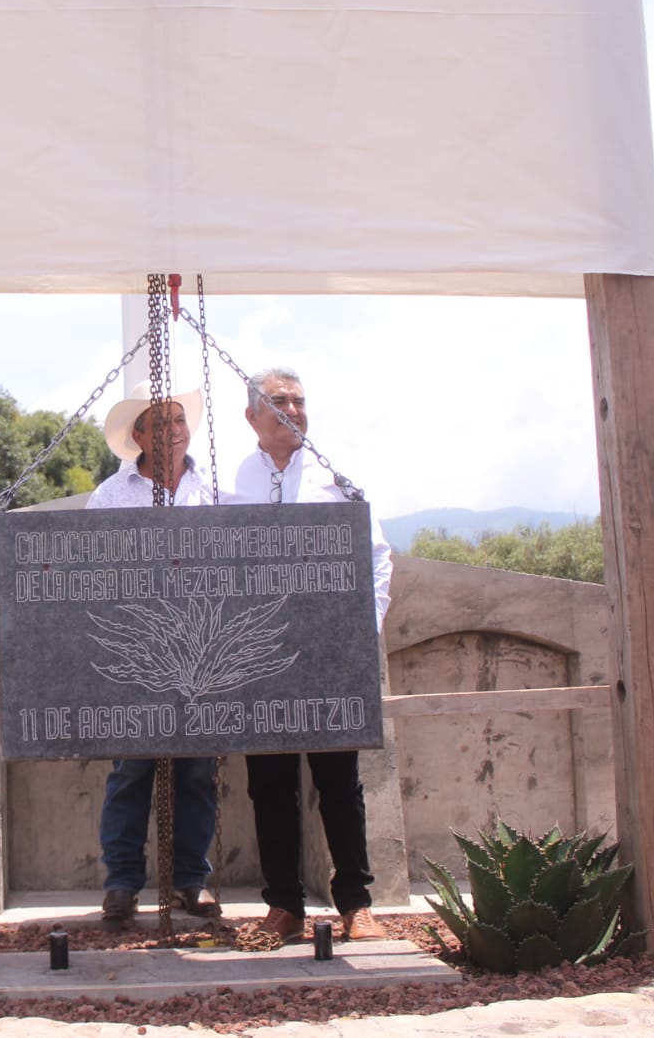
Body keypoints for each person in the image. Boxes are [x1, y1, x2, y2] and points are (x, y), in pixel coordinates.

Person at [229, 367, 393, 947]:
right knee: (268, 785)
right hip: (258, 659)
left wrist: (359, 631)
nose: (294, 411)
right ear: (252, 416)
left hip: (330, 657)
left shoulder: (334, 479)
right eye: (280, 402)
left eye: (300, 402)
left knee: (339, 782)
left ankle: (356, 903)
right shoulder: (230, 484)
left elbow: (376, 559)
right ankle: (284, 907)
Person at [86, 381, 222, 925]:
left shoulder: (211, 491)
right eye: (160, 424)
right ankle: (122, 882)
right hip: (134, 647)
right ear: (138, 436)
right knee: (131, 768)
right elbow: (90, 572)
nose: (174, 432)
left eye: (180, 421)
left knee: (195, 771)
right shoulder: (110, 496)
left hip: (197, 645)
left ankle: (191, 880)